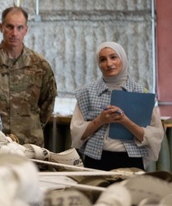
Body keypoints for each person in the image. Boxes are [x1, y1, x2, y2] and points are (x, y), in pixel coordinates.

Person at [70, 41, 164, 171]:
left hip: (130, 161)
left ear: (123, 59)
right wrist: (100, 120)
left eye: (113, 57)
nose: (109, 64)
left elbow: (154, 135)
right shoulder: (86, 93)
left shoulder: (141, 93)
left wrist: (125, 121)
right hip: (96, 160)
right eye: (103, 59)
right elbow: (77, 133)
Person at [0, 6, 57, 146]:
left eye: (20, 28)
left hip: (29, 143)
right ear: (1, 27)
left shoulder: (40, 66)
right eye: (10, 27)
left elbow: (47, 104)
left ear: (26, 30)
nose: (14, 33)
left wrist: (31, 126)